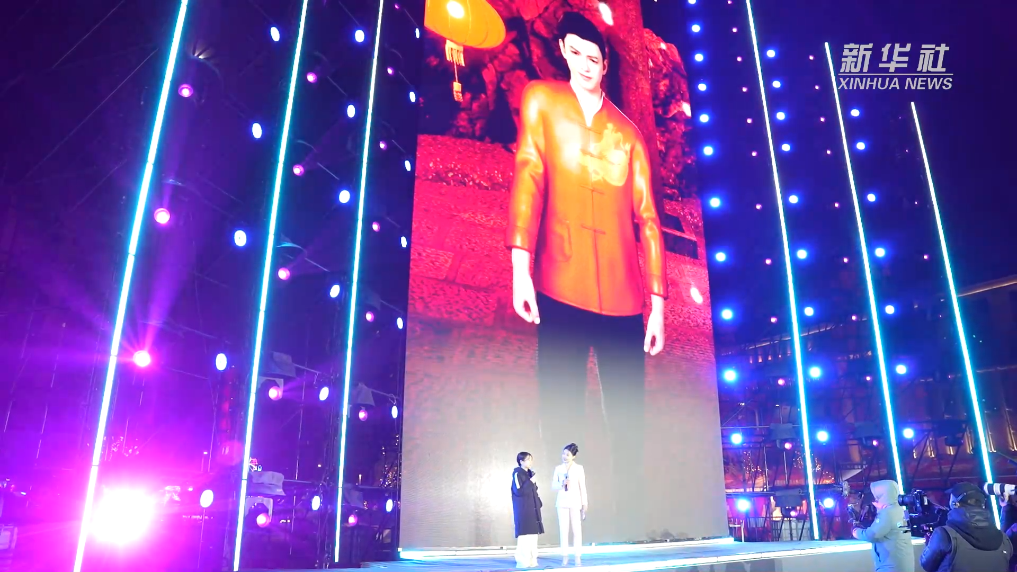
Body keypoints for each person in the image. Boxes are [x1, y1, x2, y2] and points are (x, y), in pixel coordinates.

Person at [505, 10, 666, 535]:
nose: (584, 63)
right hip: (559, 281)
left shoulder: (628, 133)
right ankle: (559, 526)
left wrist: (658, 304)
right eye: (575, 52)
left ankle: (631, 523)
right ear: (562, 52)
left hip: (624, 297)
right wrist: (520, 264)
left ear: (606, 62)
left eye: (593, 56)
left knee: (628, 417)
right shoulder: (542, 101)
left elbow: (648, 219)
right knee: (559, 405)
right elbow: (529, 174)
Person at [920, 482, 1011, 572]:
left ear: (954, 503)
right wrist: (1005, 507)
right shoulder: (1004, 539)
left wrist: (929, 543)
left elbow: (926, 564)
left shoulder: (943, 535)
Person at [851, 480, 915, 572]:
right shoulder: (900, 510)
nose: (874, 501)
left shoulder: (887, 513)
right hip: (902, 563)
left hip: (890, 567)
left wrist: (855, 531)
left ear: (883, 496)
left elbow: (871, 535)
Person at [552, 444, 587, 567]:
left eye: (567, 454)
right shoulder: (558, 468)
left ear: (574, 456)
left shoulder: (579, 468)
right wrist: (562, 483)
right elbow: (553, 486)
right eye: (563, 454)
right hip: (562, 502)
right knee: (563, 530)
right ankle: (565, 556)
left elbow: (582, 487)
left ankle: (577, 556)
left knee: (577, 530)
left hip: (575, 501)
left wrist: (584, 503)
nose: (564, 456)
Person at [511, 452, 544, 568]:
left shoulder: (530, 474)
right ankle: (522, 561)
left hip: (533, 510)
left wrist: (538, 503)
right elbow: (518, 491)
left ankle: (532, 560)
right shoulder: (517, 474)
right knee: (524, 536)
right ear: (521, 461)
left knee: (533, 536)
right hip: (523, 510)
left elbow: (534, 490)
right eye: (527, 459)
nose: (530, 462)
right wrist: (530, 482)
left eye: (531, 459)